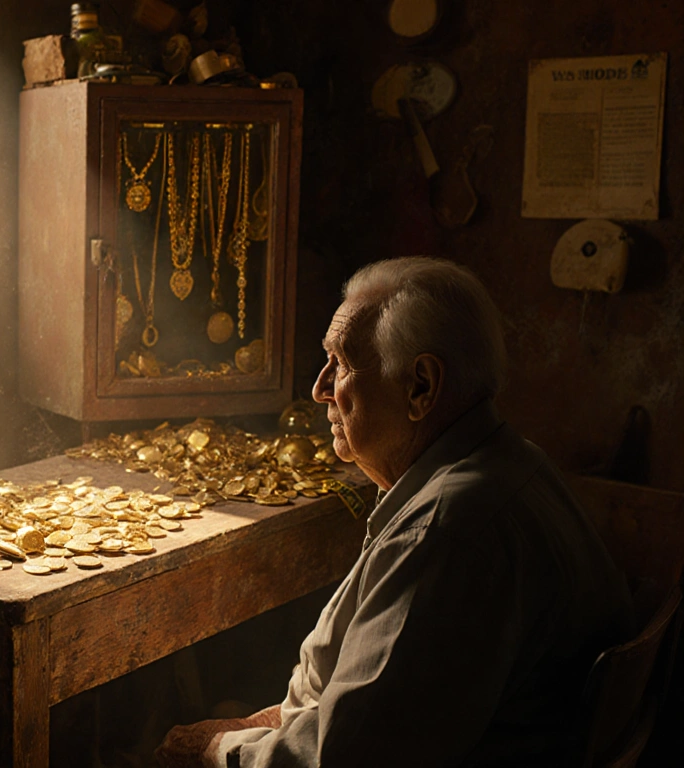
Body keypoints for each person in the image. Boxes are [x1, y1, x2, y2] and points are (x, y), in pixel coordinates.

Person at [157, 256, 633, 767]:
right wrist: (256, 726)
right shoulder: (510, 460)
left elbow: (344, 758)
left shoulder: (446, 531)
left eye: (341, 363)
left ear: (421, 387)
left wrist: (214, 751)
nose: (319, 389)